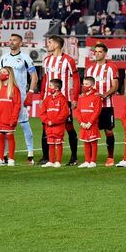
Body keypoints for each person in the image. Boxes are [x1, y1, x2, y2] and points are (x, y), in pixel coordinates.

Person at [0, 33, 39, 164]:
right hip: (5, 98)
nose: (11, 42)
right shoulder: (3, 58)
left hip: (20, 97)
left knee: (24, 124)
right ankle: (4, 156)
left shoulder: (25, 58)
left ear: (20, 43)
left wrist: (31, 92)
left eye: (14, 40)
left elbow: (34, 76)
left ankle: (30, 155)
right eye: (10, 40)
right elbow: (1, 77)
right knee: (4, 126)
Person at [40, 35, 80, 166]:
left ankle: (74, 157)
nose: (48, 44)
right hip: (48, 99)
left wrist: (75, 97)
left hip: (64, 99)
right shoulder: (46, 60)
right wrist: (42, 97)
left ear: (57, 44)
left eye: (50, 42)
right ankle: (46, 157)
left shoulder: (68, 60)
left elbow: (75, 79)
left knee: (68, 126)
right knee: (45, 126)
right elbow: (45, 80)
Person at [84, 43, 119, 166]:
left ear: (105, 53)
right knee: (89, 130)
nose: (97, 54)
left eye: (100, 52)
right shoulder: (89, 68)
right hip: (91, 107)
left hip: (106, 105)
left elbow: (115, 85)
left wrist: (105, 95)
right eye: (96, 52)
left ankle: (110, 157)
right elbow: (86, 85)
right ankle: (89, 159)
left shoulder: (111, 67)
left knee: (108, 131)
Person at [0, 67, 21, 167]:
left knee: (10, 135)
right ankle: (0, 158)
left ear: (9, 74)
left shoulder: (14, 88)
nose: (2, 74)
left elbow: (17, 104)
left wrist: (14, 118)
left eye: (4, 72)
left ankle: (11, 159)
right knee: (0, 136)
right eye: (1, 72)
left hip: (9, 117)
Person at [39, 79, 70, 168]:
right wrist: (46, 121)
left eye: (51, 86)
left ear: (56, 88)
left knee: (58, 143)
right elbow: (42, 112)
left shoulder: (62, 99)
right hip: (48, 126)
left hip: (58, 126)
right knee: (51, 143)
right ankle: (51, 161)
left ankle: (58, 161)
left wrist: (53, 121)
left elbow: (65, 113)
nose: (49, 88)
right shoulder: (47, 99)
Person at [73, 77, 102, 168]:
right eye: (83, 84)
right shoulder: (81, 96)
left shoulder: (96, 96)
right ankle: (87, 161)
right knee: (85, 142)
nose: (84, 86)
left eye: (86, 84)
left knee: (93, 142)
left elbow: (97, 110)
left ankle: (93, 161)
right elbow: (77, 111)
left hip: (92, 124)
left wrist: (90, 122)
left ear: (92, 85)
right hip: (83, 124)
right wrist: (81, 122)